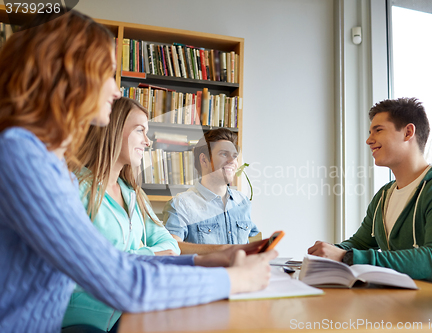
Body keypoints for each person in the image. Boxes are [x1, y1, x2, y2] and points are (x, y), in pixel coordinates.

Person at [0, 10, 275, 333]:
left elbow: (118, 262)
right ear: (69, 75)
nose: (116, 91)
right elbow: (125, 283)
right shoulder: (19, 154)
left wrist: (203, 261)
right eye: (107, 74)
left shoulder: (48, 163)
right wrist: (235, 280)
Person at [308, 97, 432, 284]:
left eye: (378, 130)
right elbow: (359, 243)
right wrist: (327, 252)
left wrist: (348, 257)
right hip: (404, 302)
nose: (369, 140)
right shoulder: (384, 196)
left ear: (408, 132)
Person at [62, 97, 181, 332]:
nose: (147, 142)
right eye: (140, 130)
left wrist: (138, 256)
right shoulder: (75, 188)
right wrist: (149, 255)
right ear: (114, 129)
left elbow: (169, 244)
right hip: (80, 319)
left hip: (127, 314)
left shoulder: (133, 194)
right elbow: (92, 265)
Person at [163, 128, 260, 254]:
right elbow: (171, 249)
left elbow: (253, 244)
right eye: (224, 154)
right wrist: (221, 250)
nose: (232, 161)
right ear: (204, 160)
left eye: (235, 156)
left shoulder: (243, 202)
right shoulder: (180, 205)